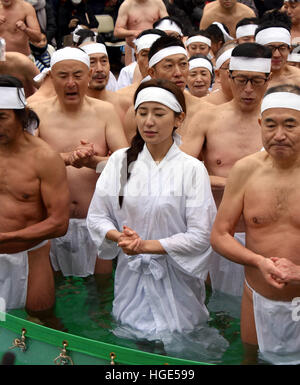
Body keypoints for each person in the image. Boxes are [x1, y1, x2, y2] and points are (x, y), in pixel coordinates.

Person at [87, 78, 227, 359]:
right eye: (143, 112)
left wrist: (145, 246)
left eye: (159, 113)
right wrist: (121, 238)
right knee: (129, 347)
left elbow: (201, 234)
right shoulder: (121, 162)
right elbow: (98, 217)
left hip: (178, 282)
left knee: (181, 348)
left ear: (179, 119)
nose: (149, 121)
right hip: (131, 279)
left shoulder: (191, 170)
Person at [210, 84, 300, 365]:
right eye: (271, 125)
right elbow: (219, 235)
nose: (279, 135)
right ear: (260, 124)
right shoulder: (246, 170)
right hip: (257, 296)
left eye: (290, 125)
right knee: (250, 360)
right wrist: (258, 261)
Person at [181, 43, 272, 299]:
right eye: (241, 80)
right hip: (219, 232)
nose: (248, 90)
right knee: (216, 308)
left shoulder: (278, 123)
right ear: (228, 77)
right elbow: (180, 169)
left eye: (256, 81)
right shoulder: (207, 118)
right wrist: (227, 183)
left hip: (268, 236)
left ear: (269, 79)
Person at [30, 47, 128, 279]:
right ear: (51, 77)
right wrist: (65, 158)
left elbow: (125, 164)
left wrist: (92, 161)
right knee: (55, 292)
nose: (70, 83)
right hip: (51, 222)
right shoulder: (36, 112)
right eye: (63, 76)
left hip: (96, 221)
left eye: (77, 75)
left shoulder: (105, 111)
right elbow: (26, 165)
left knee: (101, 295)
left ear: (88, 75)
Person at [0, 74, 69, 320]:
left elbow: (60, 223)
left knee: (43, 326)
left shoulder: (44, 158)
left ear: (21, 116)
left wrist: (8, 238)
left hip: (30, 256)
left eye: (1, 118)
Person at [80, 41, 126, 125]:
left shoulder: (124, 104)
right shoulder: (73, 108)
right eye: (92, 62)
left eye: (104, 61)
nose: (100, 69)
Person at [114, 0, 168, 65]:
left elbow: (167, 25)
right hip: (133, 47)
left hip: (156, 46)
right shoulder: (126, 5)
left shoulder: (158, 2)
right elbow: (117, 31)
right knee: (132, 73)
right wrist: (134, 33)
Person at [255, 10, 300, 87]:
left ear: (289, 49)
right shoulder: (247, 79)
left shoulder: (297, 78)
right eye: (270, 48)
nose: (277, 55)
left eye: (282, 48)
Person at [202, 41, 237, 105]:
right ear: (218, 75)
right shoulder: (204, 105)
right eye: (231, 68)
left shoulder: (259, 103)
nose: (238, 73)